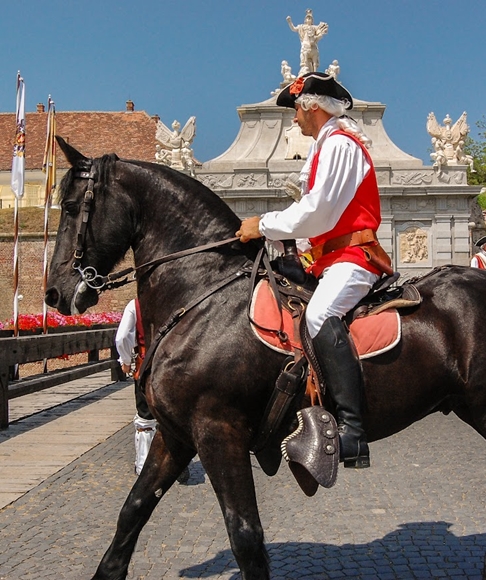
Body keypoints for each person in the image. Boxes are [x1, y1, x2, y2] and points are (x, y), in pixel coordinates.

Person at [236, 72, 393, 469]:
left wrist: (265, 224)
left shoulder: (340, 144)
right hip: (332, 259)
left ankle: (353, 431)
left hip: (354, 260)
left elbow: (319, 212)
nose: (293, 120)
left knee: (321, 314)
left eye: (296, 111)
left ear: (313, 108)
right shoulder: (326, 146)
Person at [115, 298, 157, 475]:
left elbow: (122, 336)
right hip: (176, 366)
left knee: (145, 418)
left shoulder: (136, 304)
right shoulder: (175, 296)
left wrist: (125, 360)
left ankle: (143, 465)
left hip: (146, 366)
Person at [286, 10, 328, 76]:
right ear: (305, 20)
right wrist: (289, 22)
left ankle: (315, 71)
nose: (309, 20)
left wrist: (321, 33)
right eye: (307, 18)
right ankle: (305, 68)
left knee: (315, 57)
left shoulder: (314, 27)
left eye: (310, 18)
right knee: (304, 56)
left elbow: (320, 33)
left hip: (313, 44)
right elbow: (293, 28)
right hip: (305, 44)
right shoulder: (302, 27)